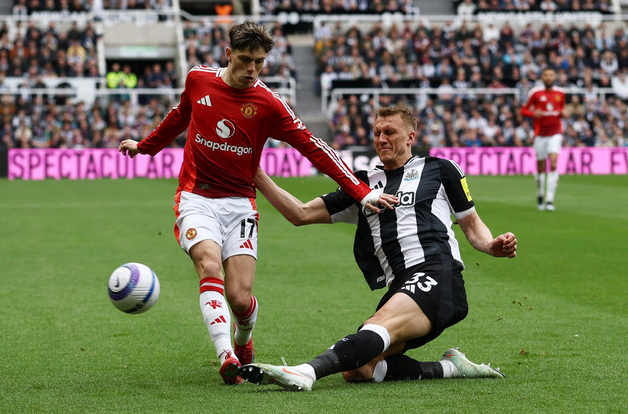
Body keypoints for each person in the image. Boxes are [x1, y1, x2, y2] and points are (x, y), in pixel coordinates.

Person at [118, 21, 386, 385]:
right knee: (209, 266)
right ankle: (226, 356)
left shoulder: (269, 104)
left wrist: (361, 191)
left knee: (240, 298)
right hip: (197, 197)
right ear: (228, 54)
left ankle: (243, 341)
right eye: (245, 60)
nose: (252, 70)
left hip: (241, 204)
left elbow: (313, 148)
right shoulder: (199, 80)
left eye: (260, 62)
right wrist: (145, 146)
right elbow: (180, 115)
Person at [239, 106, 517, 391]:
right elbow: (300, 213)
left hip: (437, 273)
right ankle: (451, 368)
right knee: (359, 367)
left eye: (389, 132)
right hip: (400, 287)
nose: (381, 138)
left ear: (410, 137)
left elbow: (471, 225)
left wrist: (490, 244)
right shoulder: (362, 184)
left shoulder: (440, 170)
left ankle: (306, 372)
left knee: (377, 328)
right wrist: (256, 173)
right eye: (377, 133)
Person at [521, 67, 568, 211]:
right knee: (541, 167)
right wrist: (533, 113)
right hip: (540, 135)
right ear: (542, 77)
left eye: (551, 75)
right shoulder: (535, 93)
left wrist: (564, 113)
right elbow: (523, 110)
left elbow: (561, 110)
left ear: (555, 77)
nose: (549, 77)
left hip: (555, 133)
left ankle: (549, 199)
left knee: (553, 163)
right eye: (546, 75)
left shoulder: (560, 93)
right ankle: (540, 194)